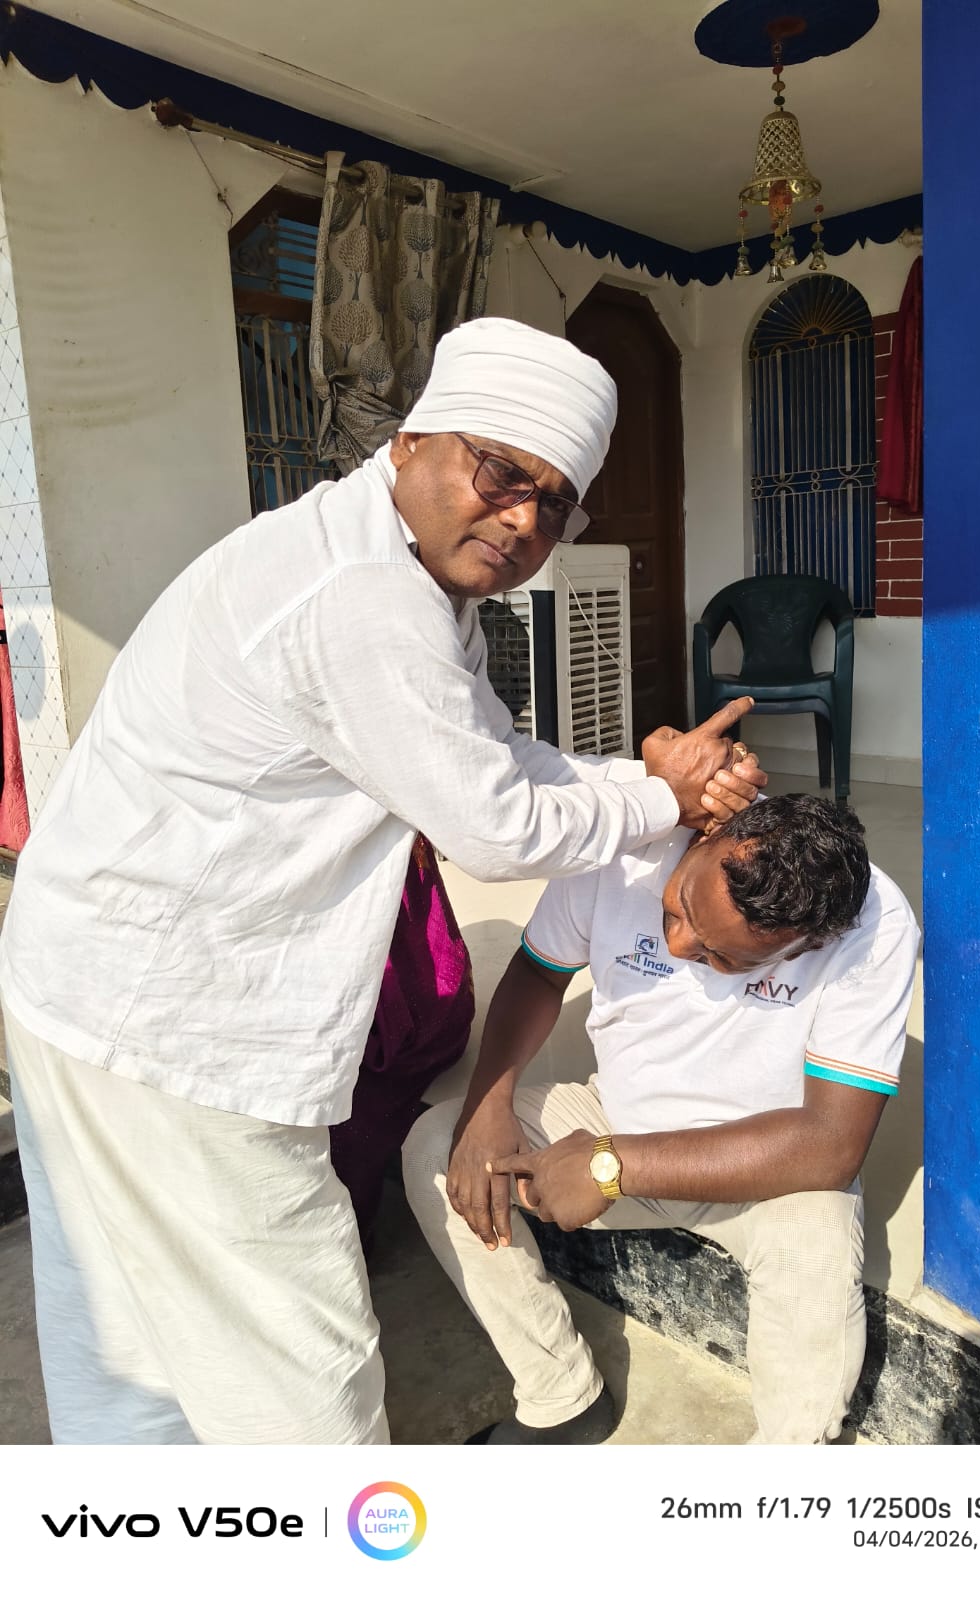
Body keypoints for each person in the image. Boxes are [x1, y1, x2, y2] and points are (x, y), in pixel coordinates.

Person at [0, 316, 766, 1446]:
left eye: (556, 503)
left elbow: (492, 752)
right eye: (501, 473)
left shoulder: (402, 571)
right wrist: (662, 798)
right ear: (409, 442)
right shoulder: (364, 593)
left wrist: (643, 779)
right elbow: (496, 823)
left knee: (132, 1341)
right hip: (170, 1023)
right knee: (297, 1373)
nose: (524, 520)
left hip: (86, 981)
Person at [403, 793, 920, 1445]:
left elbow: (830, 1145)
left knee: (816, 1265)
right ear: (711, 833)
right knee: (437, 1146)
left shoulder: (873, 924)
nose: (679, 944)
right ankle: (560, 1395)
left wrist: (610, 1166)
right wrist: (489, 1103)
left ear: (806, 944)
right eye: (678, 907)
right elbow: (539, 973)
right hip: (613, 1119)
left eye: (720, 958)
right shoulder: (624, 850)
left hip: (765, 1169)